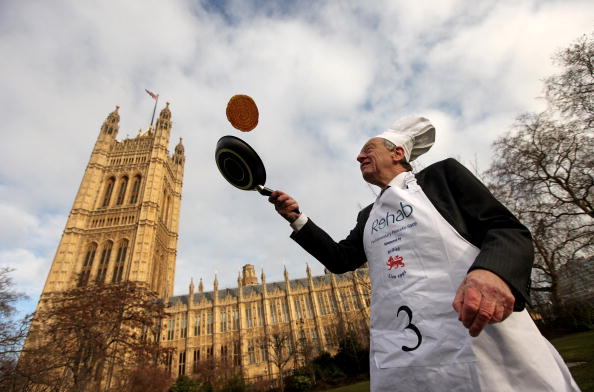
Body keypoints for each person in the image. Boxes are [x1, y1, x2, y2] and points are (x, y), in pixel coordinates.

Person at [268, 117, 579, 391]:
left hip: (473, 332)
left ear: (398, 153)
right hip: (403, 352)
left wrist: (492, 272)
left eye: (368, 149)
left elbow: (506, 230)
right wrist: (296, 217)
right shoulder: (368, 215)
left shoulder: (442, 177)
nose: (359, 156)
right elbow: (340, 260)